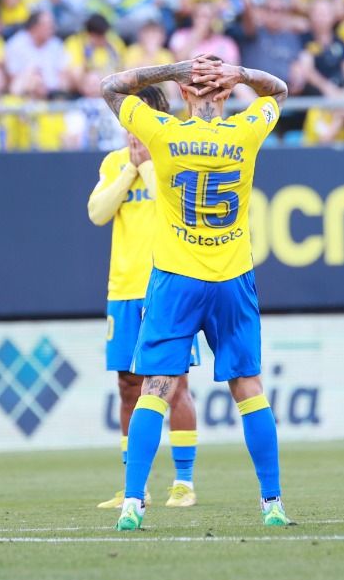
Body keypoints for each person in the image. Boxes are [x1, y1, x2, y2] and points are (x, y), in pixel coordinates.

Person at [100, 54, 290, 531]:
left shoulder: (163, 134)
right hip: (231, 276)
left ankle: (132, 504)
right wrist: (243, 76)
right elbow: (280, 92)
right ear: (225, 94)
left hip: (175, 279)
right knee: (248, 389)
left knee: (154, 391)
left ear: (185, 92)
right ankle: (272, 503)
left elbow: (111, 87)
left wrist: (172, 68)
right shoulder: (246, 131)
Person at [86, 83, 199, 511]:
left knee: (175, 384)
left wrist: (149, 165)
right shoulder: (115, 163)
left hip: (167, 287)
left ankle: (184, 482)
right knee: (128, 387)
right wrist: (130, 171)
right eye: (128, 121)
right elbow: (97, 213)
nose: (131, 130)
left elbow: (173, 203)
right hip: (123, 291)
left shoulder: (176, 159)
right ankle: (137, 486)